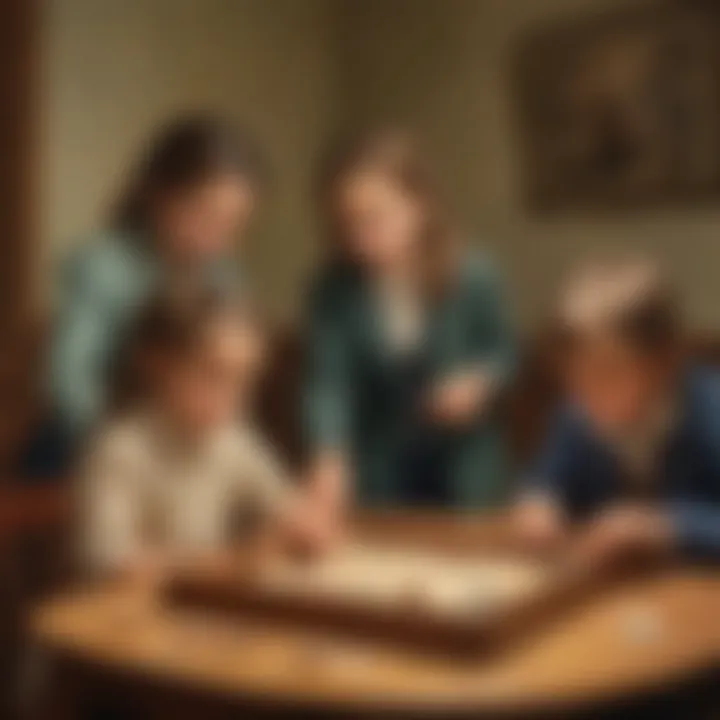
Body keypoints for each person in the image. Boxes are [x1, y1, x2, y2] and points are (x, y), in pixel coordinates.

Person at [22, 116, 267, 479]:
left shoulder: (225, 276)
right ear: (158, 196)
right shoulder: (104, 265)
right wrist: (123, 453)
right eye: (206, 215)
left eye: (232, 226)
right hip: (87, 448)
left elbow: (231, 375)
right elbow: (69, 378)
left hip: (181, 445)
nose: (217, 238)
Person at [303, 128, 515, 524]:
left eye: (374, 218)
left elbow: (503, 352)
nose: (360, 237)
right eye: (347, 223)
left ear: (420, 205)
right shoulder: (333, 290)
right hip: (382, 471)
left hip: (463, 467)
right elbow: (328, 382)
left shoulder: (472, 273)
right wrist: (329, 453)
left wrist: (479, 383)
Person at [78, 286, 316, 578]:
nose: (229, 396)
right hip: (115, 614)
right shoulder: (122, 450)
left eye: (243, 381)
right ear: (158, 364)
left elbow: (290, 512)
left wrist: (305, 526)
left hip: (192, 604)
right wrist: (228, 560)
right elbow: (113, 562)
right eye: (211, 373)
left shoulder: (232, 440)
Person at [514, 257, 720, 566]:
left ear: (663, 364)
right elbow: (548, 479)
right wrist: (540, 503)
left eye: (607, 374)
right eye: (574, 377)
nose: (586, 393)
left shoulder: (708, 413)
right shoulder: (577, 415)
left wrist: (666, 527)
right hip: (617, 592)